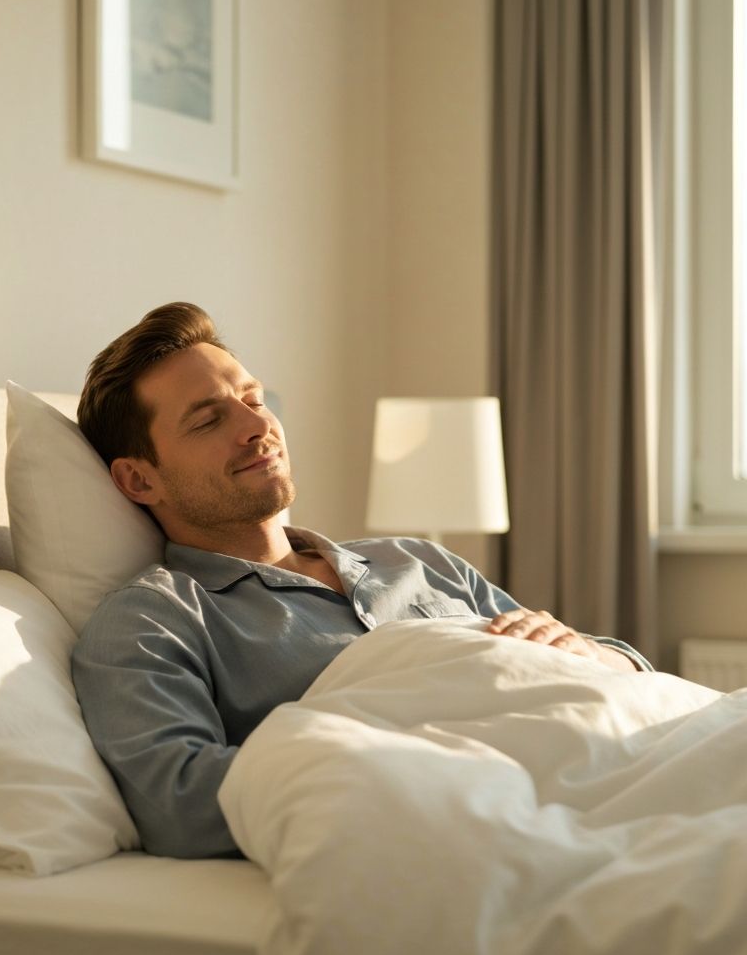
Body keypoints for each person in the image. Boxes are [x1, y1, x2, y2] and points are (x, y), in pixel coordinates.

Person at [71, 302, 652, 859]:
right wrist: (423, 764)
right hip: (495, 812)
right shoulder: (156, 620)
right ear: (139, 481)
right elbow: (179, 804)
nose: (257, 426)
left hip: (626, 755)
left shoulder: (417, 558)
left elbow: (628, 672)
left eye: (253, 398)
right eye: (207, 420)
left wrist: (592, 654)